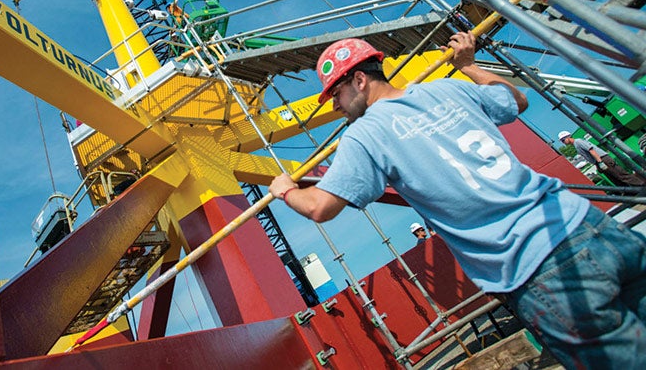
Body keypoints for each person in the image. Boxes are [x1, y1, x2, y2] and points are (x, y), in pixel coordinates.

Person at [269, 32, 646, 367]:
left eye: (336, 93)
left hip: (534, 267)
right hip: (588, 225)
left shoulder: (363, 135)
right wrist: (468, 65)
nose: (335, 106)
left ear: (359, 79)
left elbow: (320, 207)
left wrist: (284, 189)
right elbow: (516, 100)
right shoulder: (446, 88)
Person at [558, 131, 646, 187]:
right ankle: (631, 194)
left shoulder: (578, 142)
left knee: (621, 175)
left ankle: (642, 185)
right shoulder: (576, 145)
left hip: (602, 159)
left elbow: (591, 150)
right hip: (599, 161)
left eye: (563, 140)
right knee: (616, 179)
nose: (563, 142)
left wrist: (600, 162)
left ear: (568, 137)